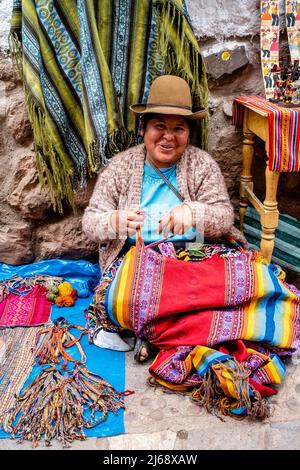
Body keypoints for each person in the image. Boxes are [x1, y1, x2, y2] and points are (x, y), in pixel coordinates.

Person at [82, 75, 245, 362]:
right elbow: (91, 222)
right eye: (160, 126)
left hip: (194, 255)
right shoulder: (121, 168)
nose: (168, 137)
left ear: (188, 133)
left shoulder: (202, 166)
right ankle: (180, 331)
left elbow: (223, 216)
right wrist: (115, 221)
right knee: (120, 295)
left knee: (241, 281)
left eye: (178, 128)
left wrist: (195, 212)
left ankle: (154, 332)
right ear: (144, 129)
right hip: (139, 259)